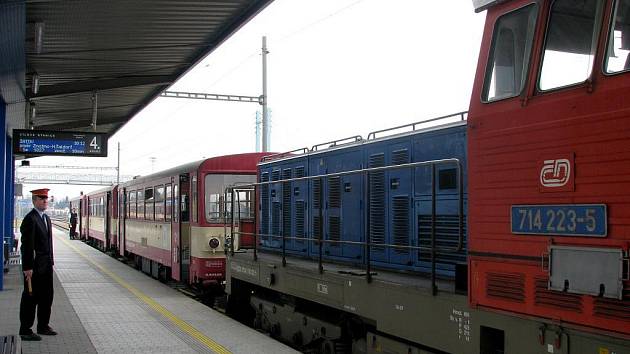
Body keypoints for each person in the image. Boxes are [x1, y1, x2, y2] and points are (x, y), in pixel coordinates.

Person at [19, 188, 57, 341]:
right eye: (41, 199)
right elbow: (26, 246)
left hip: (46, 267)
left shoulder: (46, 218)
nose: (45, 201)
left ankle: (43, 325)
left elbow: (49, 244)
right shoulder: (30, 219)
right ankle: (25, 330)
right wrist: (27, 268)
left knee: (47, 297)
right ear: (34, 201)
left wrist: (51, 262)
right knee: (30, 298)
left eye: (46, 199)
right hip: (34, 268)